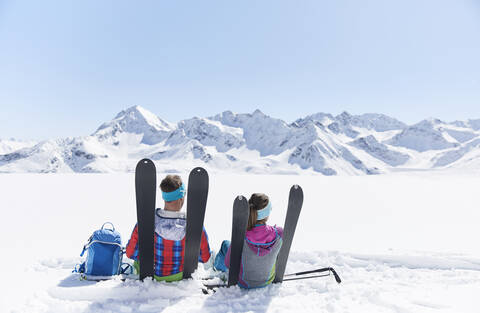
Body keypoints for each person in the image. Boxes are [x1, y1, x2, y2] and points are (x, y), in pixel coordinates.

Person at [126, 174, 211, 281]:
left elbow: (130, 253)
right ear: (182, 197)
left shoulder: (148, 219)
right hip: (181, 276)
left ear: (164, 197)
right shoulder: (194, 224)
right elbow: (205, 257)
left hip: (151, 274)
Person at [214, 193, 283, 288]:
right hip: (266, 281)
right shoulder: (279, 234)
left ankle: (217, 270)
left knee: (225, 244)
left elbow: (228, 263)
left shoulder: (241, 235)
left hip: (243, 282)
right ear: (267, 214)